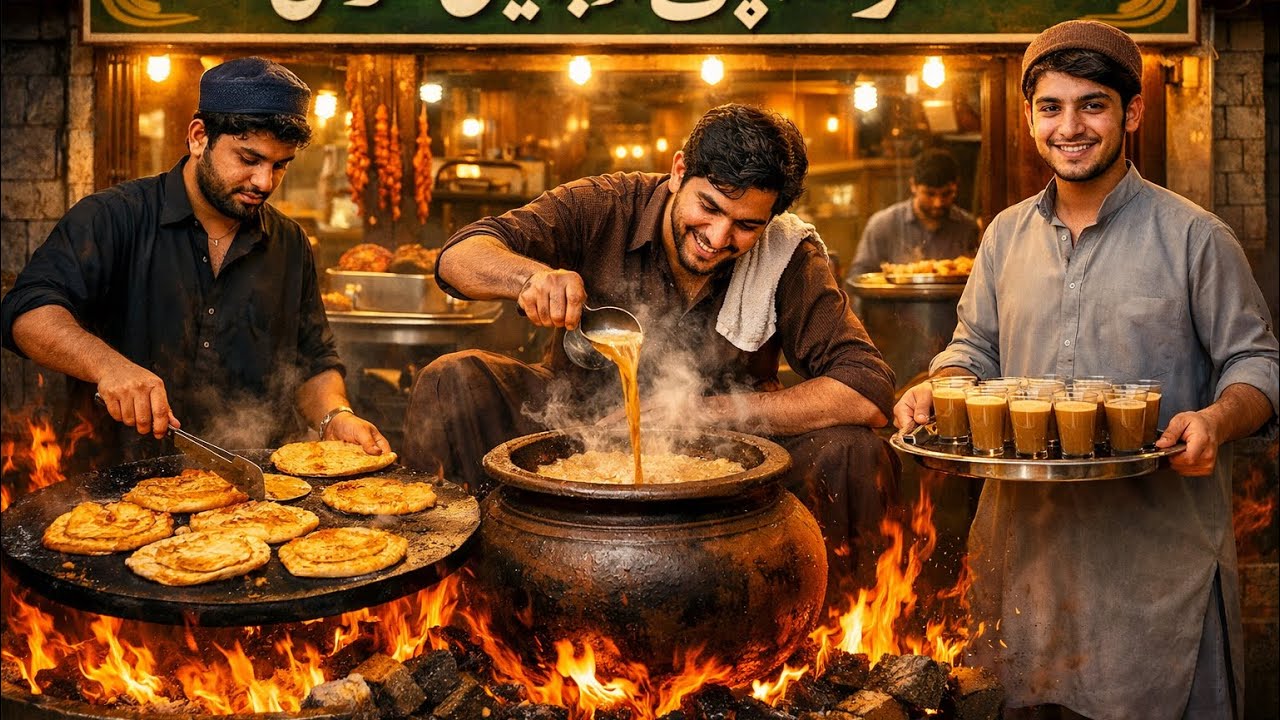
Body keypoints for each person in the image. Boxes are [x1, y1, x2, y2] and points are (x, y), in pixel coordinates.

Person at [892, 21, 1278, 720]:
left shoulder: (1195, 237)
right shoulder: (1004, 235)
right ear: (1032, 116)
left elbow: (1257, 362)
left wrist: (1217, 419)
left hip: (1155, 571)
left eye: (1092, 105)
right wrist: (939, 385)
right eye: (1051, 106)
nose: (1070, 127)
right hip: (1025, 563)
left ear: (1131, 112)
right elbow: (972, 349)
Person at [404, 103, 900, 588]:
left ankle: (830, 649)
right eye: (709, 207)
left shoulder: (788, 254)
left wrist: (701, 413)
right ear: (679, 171)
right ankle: (460, 603)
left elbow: (866, 391)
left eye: (747, 225)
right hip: (574, 431)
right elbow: (457, 258)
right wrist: (531, 276)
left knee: (851, 449)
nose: (718, 236)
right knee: (455, 379)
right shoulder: (603, 206)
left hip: (730, 474)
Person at [0, 57, 390, 466]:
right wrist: (108, 366)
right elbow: (26, 312)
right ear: (199, 137)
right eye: (249, 159)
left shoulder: (290, 243)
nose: (264, 182)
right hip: (113, 496)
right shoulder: (111, 216)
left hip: (259, 499)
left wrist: (335, 416)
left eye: (280, 166)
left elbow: (314, 360)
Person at [845, 148, 980, 278]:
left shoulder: (967, 227)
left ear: (956, 187)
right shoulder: (882, 225)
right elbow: (858, 276)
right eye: (930, 194)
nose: (938, 202)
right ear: (913, 186)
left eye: (946, 194)